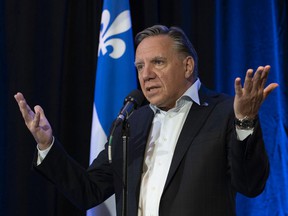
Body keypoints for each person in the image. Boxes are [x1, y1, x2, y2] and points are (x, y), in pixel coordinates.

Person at [14, 25, 279, 216]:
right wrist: (47, 145)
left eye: (158, 62)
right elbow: (89, 190)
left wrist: (244, 119)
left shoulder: (223, 112)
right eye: (140, 66)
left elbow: (251, 184)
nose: (146, 74)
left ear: (187, 66)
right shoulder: (132, 123)